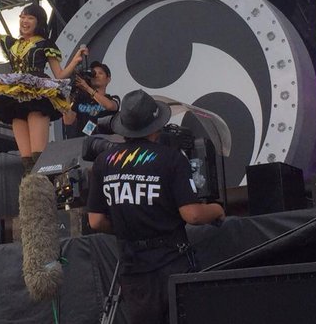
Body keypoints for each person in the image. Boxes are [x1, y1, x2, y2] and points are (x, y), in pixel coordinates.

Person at [86, 89, 225, 324]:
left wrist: (128, 227)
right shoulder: (171, 158)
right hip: (171, 262)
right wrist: (216, 210)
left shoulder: (103, 162)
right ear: (155, 127)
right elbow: (192, 215)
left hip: (133, 267)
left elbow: (96, 221)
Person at [0, 1, 87, 175]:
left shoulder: (45, 44)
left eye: (30, 17)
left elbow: (59, 75)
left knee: (39, 157)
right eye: (22, 17)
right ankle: (29, 189)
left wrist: (75, 60)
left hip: (38, 96)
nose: (24, 21)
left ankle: (44, 187)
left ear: (38, 21)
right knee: (27, 160)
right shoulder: (11, 43)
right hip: (14, 99)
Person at [63, 61, 119, 138]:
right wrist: (66, 95)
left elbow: (110, 106)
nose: (96, 75)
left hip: (104, 141)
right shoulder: (81, 99)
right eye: (94, 73)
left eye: (100, 73)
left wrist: (87, 88)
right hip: (83, 142)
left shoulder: (113, 98)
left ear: (108, 79)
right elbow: (68, 121)